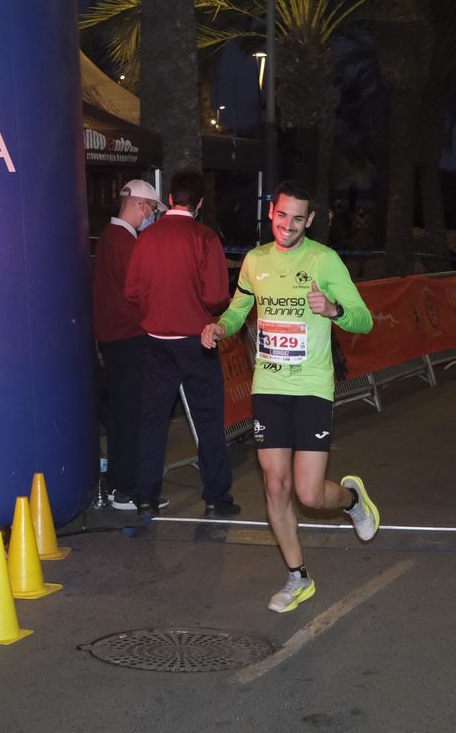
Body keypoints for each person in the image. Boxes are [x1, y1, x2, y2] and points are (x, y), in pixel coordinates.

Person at [201, 181, 377, 613]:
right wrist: (221, 327)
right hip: (270, 387)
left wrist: (332, 310)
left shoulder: (325, 260)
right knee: (276, 487)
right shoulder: (255, 261)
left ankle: (352, 500)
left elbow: (364, 320)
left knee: (310, 495)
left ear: (310, 221)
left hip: (313, 387)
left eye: (298, 219)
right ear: (271, 213)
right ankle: (298, 577)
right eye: (282, 216)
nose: (288, 225)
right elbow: (240, 309)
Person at [124, 170, 239, 521]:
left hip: (156, 341)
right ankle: (216, 497)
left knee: (153, 421)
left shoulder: (147, 238)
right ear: (200, 203)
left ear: (171, 198)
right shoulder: (205, 238)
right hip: (196, 341)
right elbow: (217, 296)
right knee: (208, 421)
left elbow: (132, 291)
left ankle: (145, 496)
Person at [92, 180, 164, 510]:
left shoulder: (108, 238)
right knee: (131, 415)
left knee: (123, 414)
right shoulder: (124, 241)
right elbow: (139, 291)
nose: (150, 216)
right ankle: (127, 488)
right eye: (150, 209)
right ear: (139, 205)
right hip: (129, 337)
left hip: (114, 338)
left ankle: (121, 484)